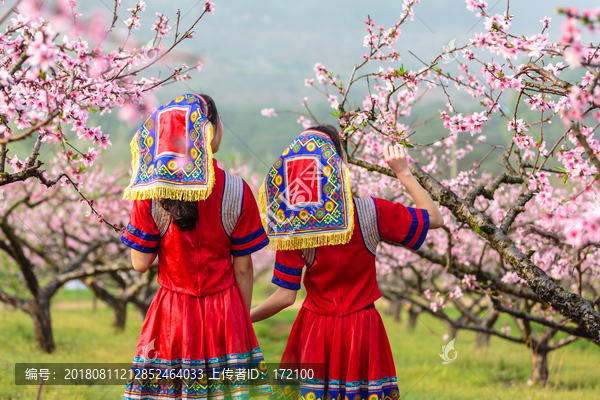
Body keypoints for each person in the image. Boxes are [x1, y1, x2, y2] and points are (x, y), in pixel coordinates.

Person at [250, 125, 443, 400]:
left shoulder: (293, 228)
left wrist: (246, 319)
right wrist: (403, 172)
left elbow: (284, 297)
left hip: (315, 330)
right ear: (339, 166)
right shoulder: (370, 211)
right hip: (362, 329)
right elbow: (434, 219)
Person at [121, 94, 271, 400]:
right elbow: (243, 269)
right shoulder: (237, 190)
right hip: (225, 309)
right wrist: (240, 322)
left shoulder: (150, 195)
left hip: (173, 313)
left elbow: (140, 263)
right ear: (208, 130)